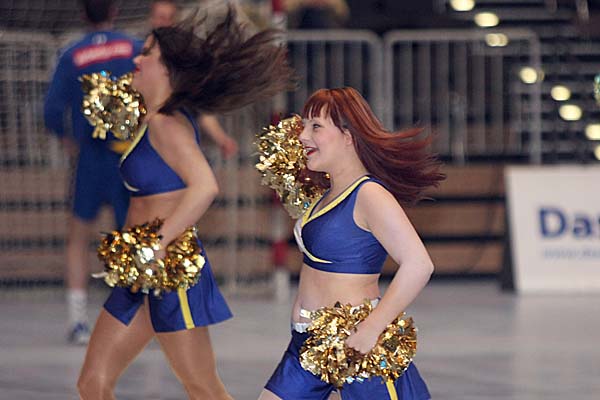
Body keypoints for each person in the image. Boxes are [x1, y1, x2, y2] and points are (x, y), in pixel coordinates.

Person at [77, 8, 295, 400]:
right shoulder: (151, 118)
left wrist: (158, 243)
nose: (138, 58)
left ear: (167, 69)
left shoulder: (168, 124)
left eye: (147, 53)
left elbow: (205, 186)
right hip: (139, 271)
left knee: (203, 388)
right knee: (92, 382)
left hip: (169, 270)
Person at [259, 87, 445, 400]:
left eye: (316, 127)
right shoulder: (323, 193)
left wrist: (372, 328)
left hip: (358, 345)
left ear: (348, 136)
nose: (303, 136)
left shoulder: (370, 195)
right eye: (304, 126)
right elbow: (281, 160)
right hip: (308, 347)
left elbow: (419, 265)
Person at [44, 0, 143, 345]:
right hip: (127, 155)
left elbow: (51, 110)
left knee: (78, 236)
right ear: (115, 11)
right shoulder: (134, 48)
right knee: (130, 237)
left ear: (83, 14)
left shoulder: (72, 54)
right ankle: (130, 321)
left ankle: (78, 322)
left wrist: (67, 139)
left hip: (90, 156)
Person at [148, 0, 239, 159]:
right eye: (161, 17)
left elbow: (200, 109)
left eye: (169, 18)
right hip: (149, 143)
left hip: (178, 144)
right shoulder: (138, 57)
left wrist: (222, 139)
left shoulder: (183, 64)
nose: (165, 23)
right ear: (151, 19)